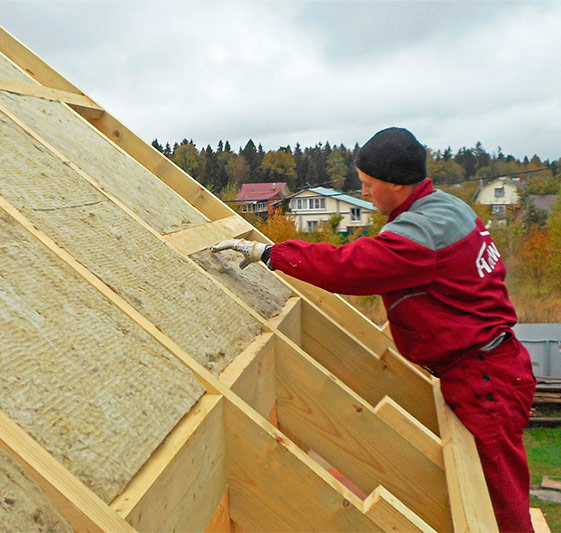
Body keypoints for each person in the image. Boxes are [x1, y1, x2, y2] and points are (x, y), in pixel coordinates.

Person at [212, 127, 536, 532]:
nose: (364, 193)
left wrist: (272, 253)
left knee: (499, 509)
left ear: (396, 184)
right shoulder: (449, 209)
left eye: (368, 185)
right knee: (501, 494)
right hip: (496, 365)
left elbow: (348, 268)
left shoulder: (416, 236)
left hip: (483, 379)